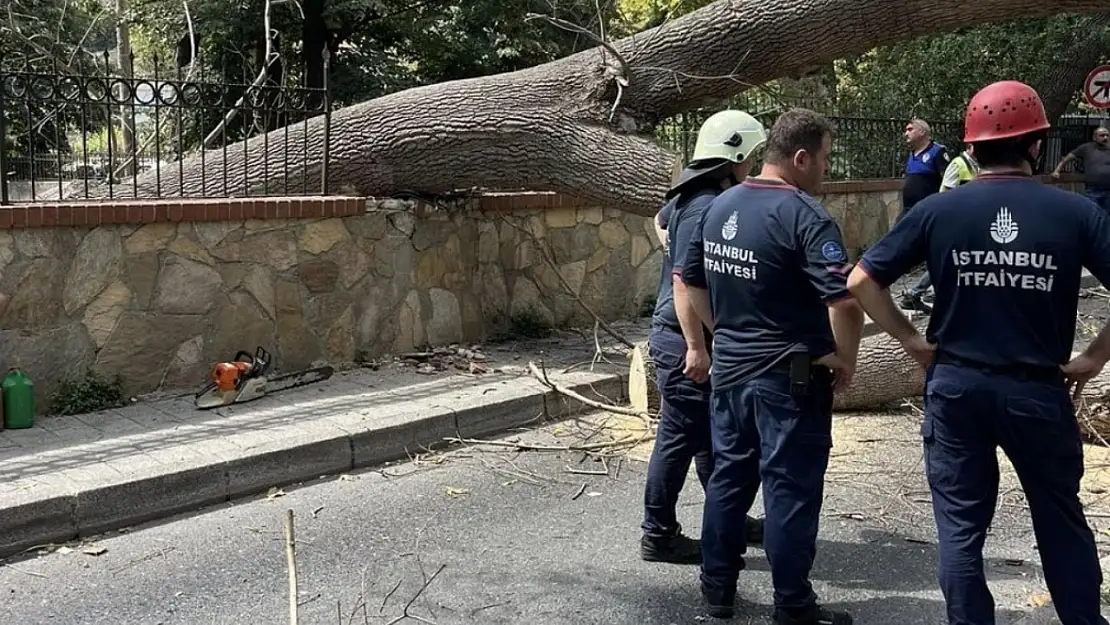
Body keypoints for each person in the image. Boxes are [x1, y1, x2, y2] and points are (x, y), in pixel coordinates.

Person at [846, 80, 1110, 625]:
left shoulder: (941, 210)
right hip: (1038, 391)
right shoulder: (1076, 213)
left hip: (956, 387)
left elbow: (860, 282)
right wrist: (1093, 357)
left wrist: (913, 343)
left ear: (972, 148)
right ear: (1036, 143)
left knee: (961, 532)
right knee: (1060, 521)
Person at [676, 108, 864, 624]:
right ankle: (793, 605)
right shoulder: (804, 215)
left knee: (730, 481)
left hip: (731, 373)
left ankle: (717, 591)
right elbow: (844, 301)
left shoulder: (718, 206)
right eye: (824, 159)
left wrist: (725, 335)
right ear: (800, 158)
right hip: (789, 379)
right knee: (790, 490)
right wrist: (845, 360)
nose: (826, 170)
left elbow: (690, 283)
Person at [641, 110, 767, 564]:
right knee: (678, 438)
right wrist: (697, 345)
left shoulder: (687, 197)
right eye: (749, 156)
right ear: (731, 157)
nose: (752, 164)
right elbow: (683, 281)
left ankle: (727, 516)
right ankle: (658, 534)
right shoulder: (702, 205)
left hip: (685, 335)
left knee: (710, 438)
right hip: (683, 340)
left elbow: (657, 222)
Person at [1051, 125, 1110, 212]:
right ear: (1094, 137)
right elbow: (1067, 158)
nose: (1105, 137)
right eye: (1102, 135)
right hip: (1093, 190)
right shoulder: (1086, 148)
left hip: (1108, 190)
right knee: (1092, 214)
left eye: (1107, 135)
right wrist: (1056, 171)